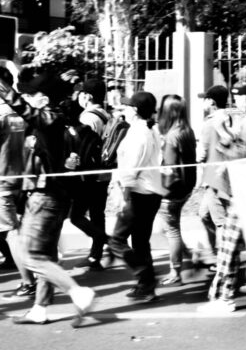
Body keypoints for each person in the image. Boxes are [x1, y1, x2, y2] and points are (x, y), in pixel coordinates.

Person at [0, 71, 96, 324]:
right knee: (47, 255)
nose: (26, 97)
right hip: (51, 196)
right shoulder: (53, 120)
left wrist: (3, 89)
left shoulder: (50, 119)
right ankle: (40, 309)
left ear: (43, 98)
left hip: (45, 197)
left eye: (31, 94)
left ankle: (78, 292)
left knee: (32, 256)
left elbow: (26, 111)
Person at [199, 80, 246, 314]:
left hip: (244, 193)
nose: (236, 100)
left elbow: (240, 156)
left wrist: (222, 135)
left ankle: (223, 296)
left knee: (228, 247)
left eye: (241, 96)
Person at [109, 91, 167, 303]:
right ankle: (146, 287)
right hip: (150, 193)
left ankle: (145, 276)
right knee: (141, 241)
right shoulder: (149, 130)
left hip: (138, 193)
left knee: (116, 241)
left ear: (134, 110)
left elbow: (131, 169)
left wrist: (124, 196)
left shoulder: (138, 134)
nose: (123, 109)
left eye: (127, 106)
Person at [0, 68, 38, 301]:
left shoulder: (1, 113)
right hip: (21, 176)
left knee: (11, 231)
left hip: (3, 177)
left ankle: (28, 281)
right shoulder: (21, 110)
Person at [65, 78, 110, 272]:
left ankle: (103, 242)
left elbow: (83, 147)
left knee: (76, 215)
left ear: (88, 96)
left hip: (90, 174)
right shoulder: (106, 114)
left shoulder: (88, 117)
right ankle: (95, 255)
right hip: (103, 171)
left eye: (82, 93)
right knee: (97, 212)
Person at [157, 94, 198, 286]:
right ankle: (190, 257)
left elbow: (169, 169)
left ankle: (176, 271)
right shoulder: (187, 131)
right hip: (186, 187)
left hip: (171, 191)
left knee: (171, 231)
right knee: (171, 228)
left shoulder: (172, 137)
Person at [196, 84, 231, 269]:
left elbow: (200, 155)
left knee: (220, 221)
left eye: (205, 98)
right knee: (204, 214)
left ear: (211, 101)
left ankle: (225, 260)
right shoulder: (230, 118)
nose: (203, 102)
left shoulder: (210, 123)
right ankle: (215, 253)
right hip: (221, 176)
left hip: (213, 179)